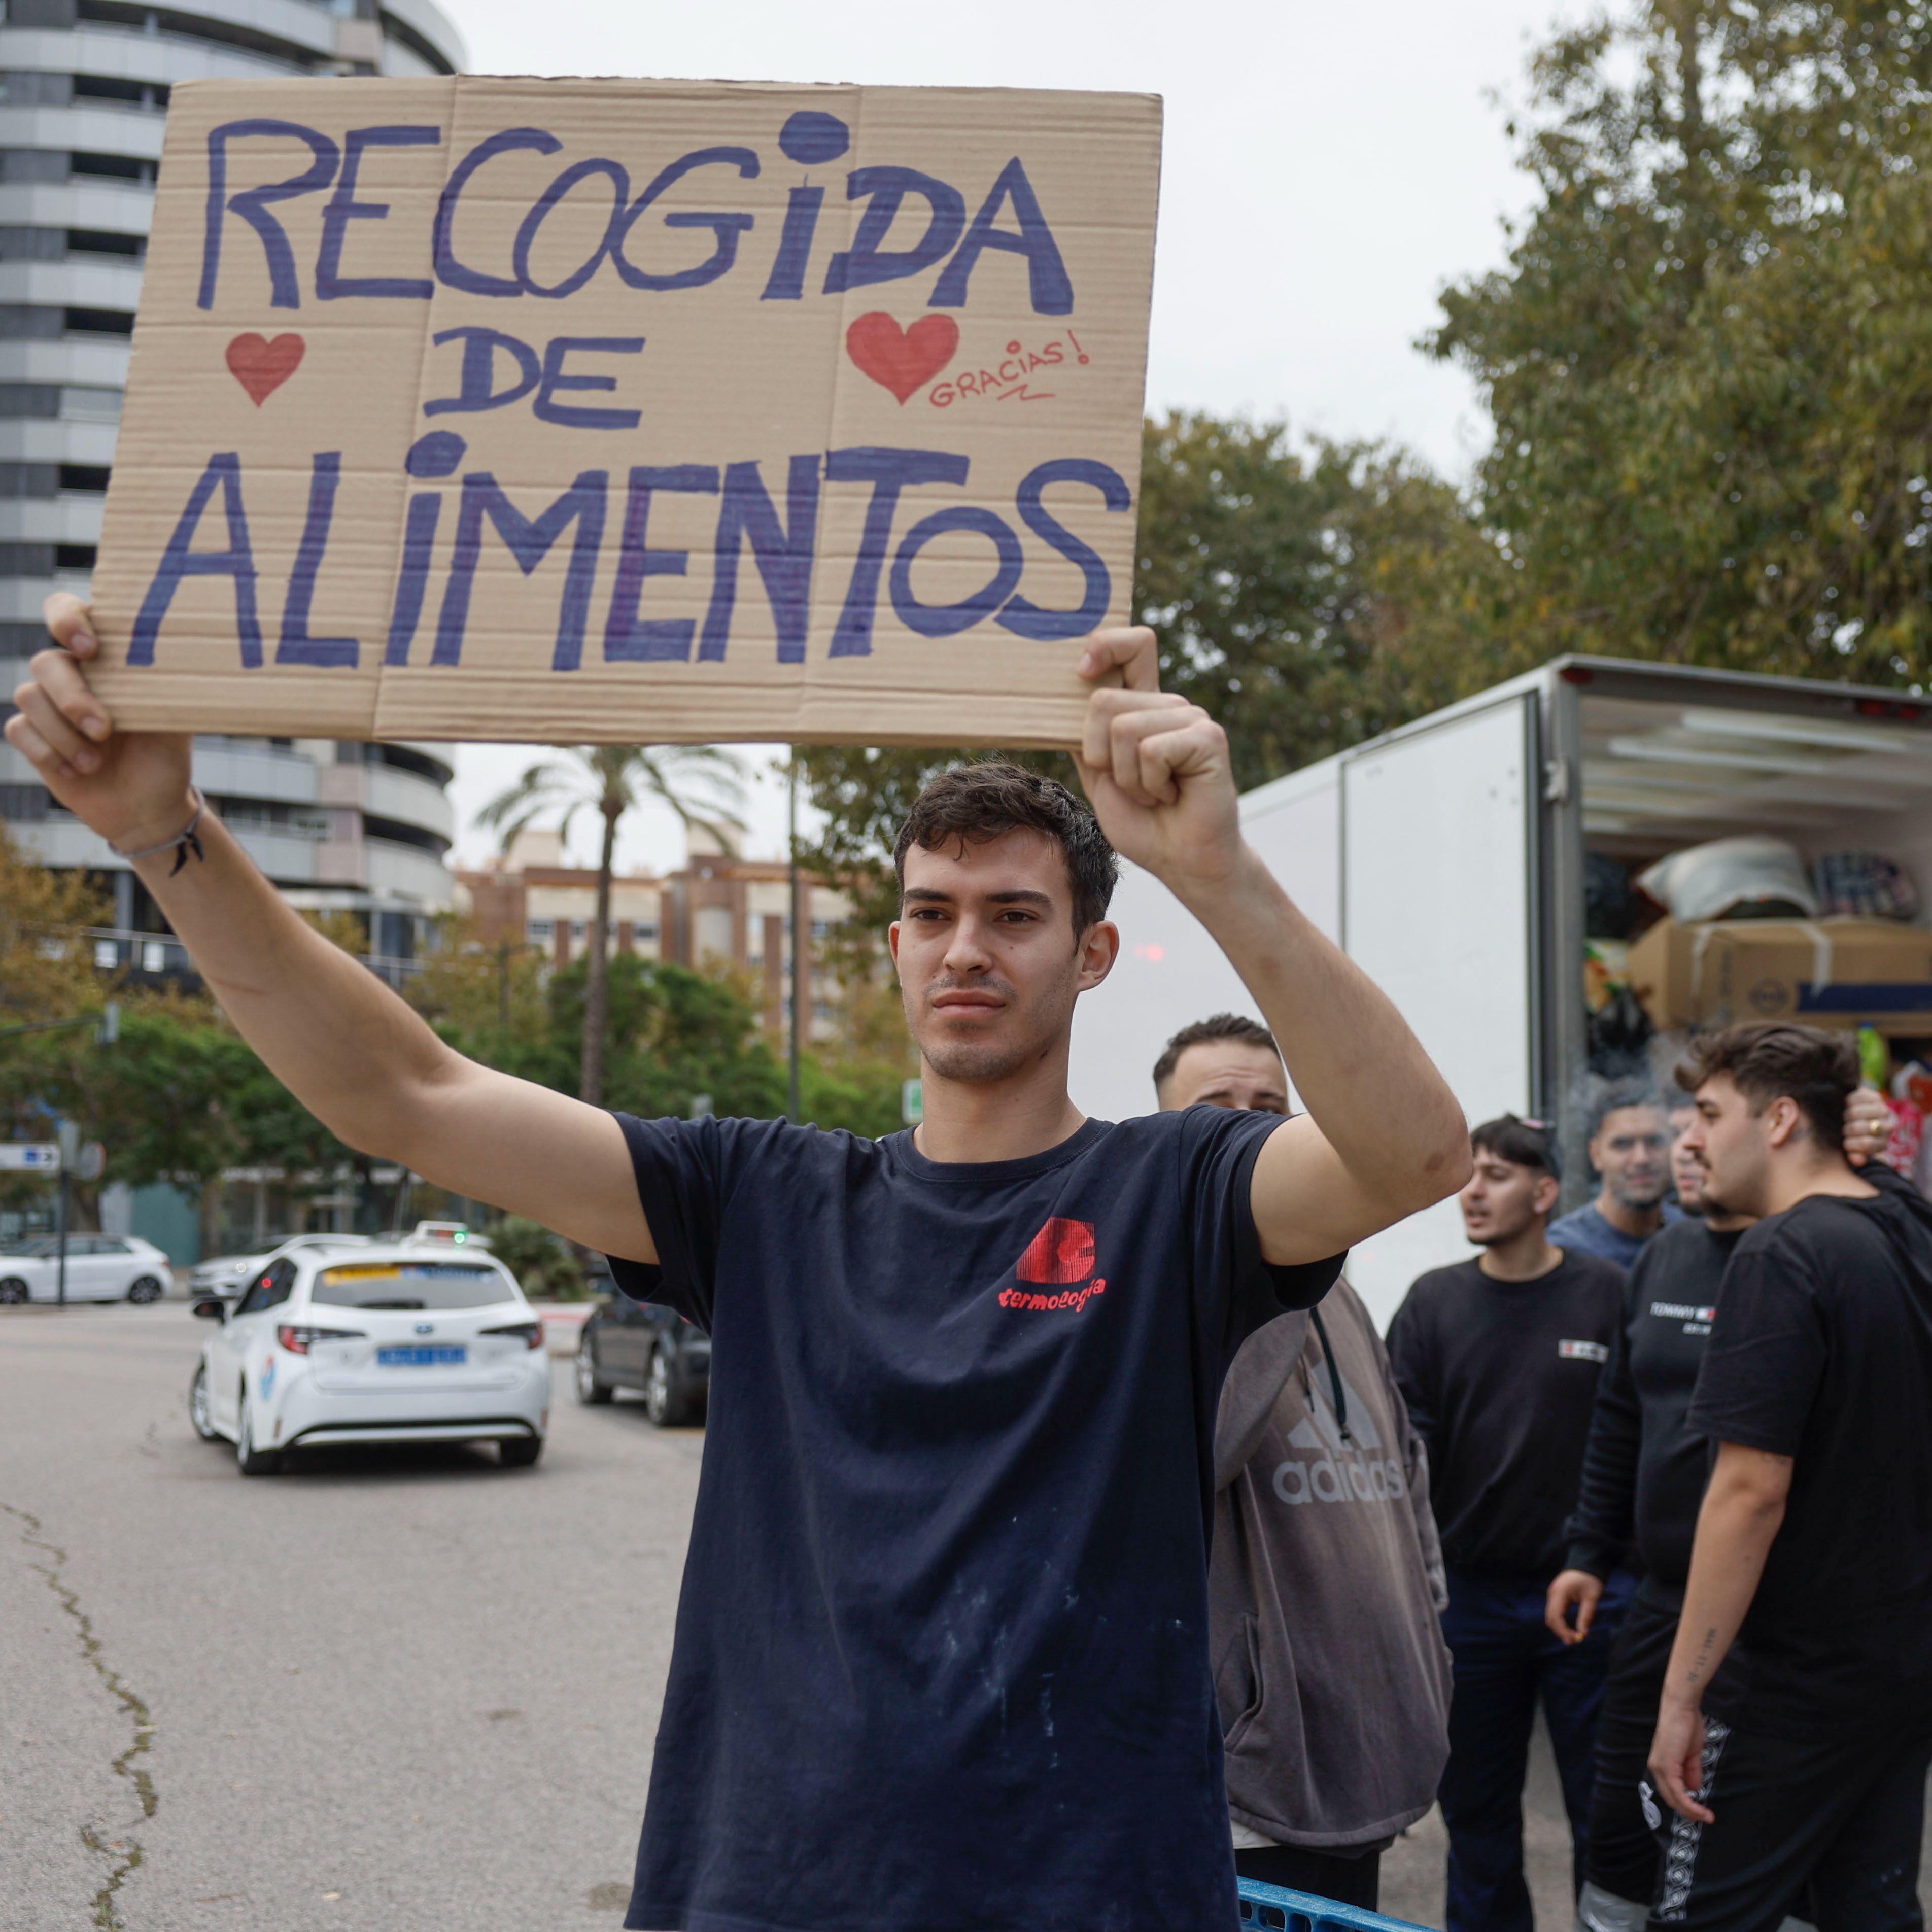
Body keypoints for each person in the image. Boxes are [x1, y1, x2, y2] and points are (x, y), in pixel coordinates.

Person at [8, 606, 1472, 1932]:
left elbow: (1412, 1157)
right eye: (931, 914)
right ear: (893, 946)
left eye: (1014, 917)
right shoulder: (763, 1196)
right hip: (770, 1887)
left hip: (1094, 1894)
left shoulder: (1176, 1188)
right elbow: (406, 1096)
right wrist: (168, 838)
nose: (967, 949)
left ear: (1092, 955)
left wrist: (1216, 873)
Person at [1545, 1086, 1896, 1932]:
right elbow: (1619, 1413)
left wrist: (1874, 1161)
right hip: (1660, 1596)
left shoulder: (1818, 1253)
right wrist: (1588, 1548)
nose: (1685, 1147)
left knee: (1758, 1848)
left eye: (1703, 1126)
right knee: (1620, 1828)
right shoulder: (1663, 1256)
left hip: (1783, 1618)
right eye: (1678, 1133)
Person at [1155, 1013, 1452, 1912]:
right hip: (1250, 1785)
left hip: (1367, 1754)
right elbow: (1174, 1468)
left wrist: (1429, 1653)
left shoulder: (1343, 1294)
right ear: (1164, 1140)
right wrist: (1254, 1280)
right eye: (1217, 1109)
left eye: (1269, 1106)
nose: (1248, 1125)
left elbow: (1404, 1484)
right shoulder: (1161, 1290)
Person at [1645, 1023, 1932, 1932]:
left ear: (1775, 1119)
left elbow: (1747, 1491)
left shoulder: (1780, 1253)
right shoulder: (1905, 1227)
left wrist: (1681, 1693)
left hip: (1785, 1678)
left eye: (1704, 1113)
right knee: (1869, 1907)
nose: (1687, 1139)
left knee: (1704, 1918)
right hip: (1892, 1663)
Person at [1389, 1116, 1630, 1932]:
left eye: (1494, 1173)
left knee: (1607, 1817)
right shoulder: (1434, 1303)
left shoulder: (1606, 1294)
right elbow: (1400, 1454)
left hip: (1590, 1595)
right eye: (1469, 1174)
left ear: (1545, 1191)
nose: (1474, 1189)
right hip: (1472, 1602)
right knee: (1479, 1818)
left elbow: (1632, 1439)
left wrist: (1601, 1554)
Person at [1549, 1082, 1684, 1268]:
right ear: (1596, 1154)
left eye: (1654, 1142)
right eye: (1623, 1144)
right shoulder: (1564, 1251)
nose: (1641, 1159)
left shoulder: (1691, 1238)